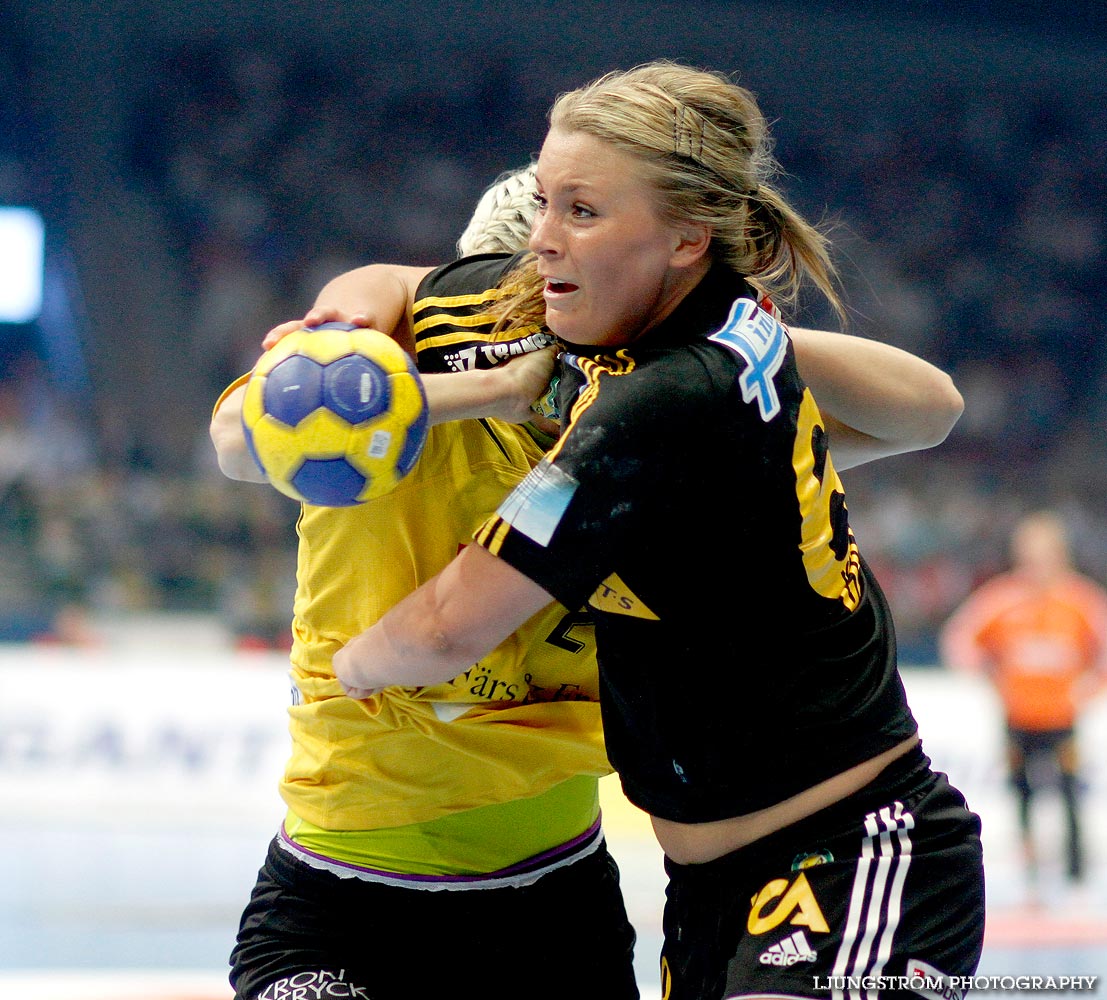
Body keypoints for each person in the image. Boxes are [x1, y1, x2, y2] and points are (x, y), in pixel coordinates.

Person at [330, 60, 985, 1000]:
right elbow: (925, 408)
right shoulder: (718, 337)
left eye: (582, 215)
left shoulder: (657, 406)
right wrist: (364, 298)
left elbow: (445, 631)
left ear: (686, 238)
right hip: (714, 890)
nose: (545, 247)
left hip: (849, 859)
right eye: (544, 207)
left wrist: (346, 670)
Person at [940, 510, 1107, 898]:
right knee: (1023, 796)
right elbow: (960, 639)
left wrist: (1091, 687)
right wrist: (991, 679)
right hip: (1018, 716)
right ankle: (1031, 872)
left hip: (1062, 717)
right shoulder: (1001, 598)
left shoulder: (1080, 599)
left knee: (1068, 795)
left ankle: (1075, 875)